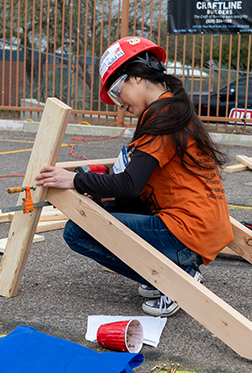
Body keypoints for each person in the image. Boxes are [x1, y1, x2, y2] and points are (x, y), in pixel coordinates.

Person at [35, 36, 234, 317]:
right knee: (108, 208)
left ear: (137, 77)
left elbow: (129, 184)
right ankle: (166, 271)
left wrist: (74, 181)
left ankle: (174, 278)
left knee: (78, 230)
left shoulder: (162, 118)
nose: (119, 104)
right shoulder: (172, 109)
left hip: (189, 231)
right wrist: (92, 186)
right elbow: (131, 176)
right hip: (204, 225)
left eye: (117, 91)